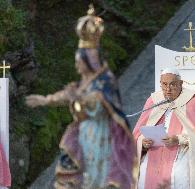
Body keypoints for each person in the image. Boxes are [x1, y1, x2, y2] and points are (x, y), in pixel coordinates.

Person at [26, 5, 137, 189]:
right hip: (83, 132)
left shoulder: (105, 79)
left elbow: (102, 100)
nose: (77, 67)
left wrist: (80, 97)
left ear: (88, 61)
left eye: (79, 62)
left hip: (102, 134)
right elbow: (68, 95)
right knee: (76, 176)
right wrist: (45, 100)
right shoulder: (85, 81)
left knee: (99, 177)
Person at [133, 68, 195, 189]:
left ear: (181, 83)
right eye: (164, 84)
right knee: (143, 174)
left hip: (183, 150)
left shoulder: (194, 101)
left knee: (178, 174)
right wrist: (142, 142)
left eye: (173, 84)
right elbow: (137, 135)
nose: (168, 89)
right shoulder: (153, 101)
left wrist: (178, 139)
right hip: (154, 151)